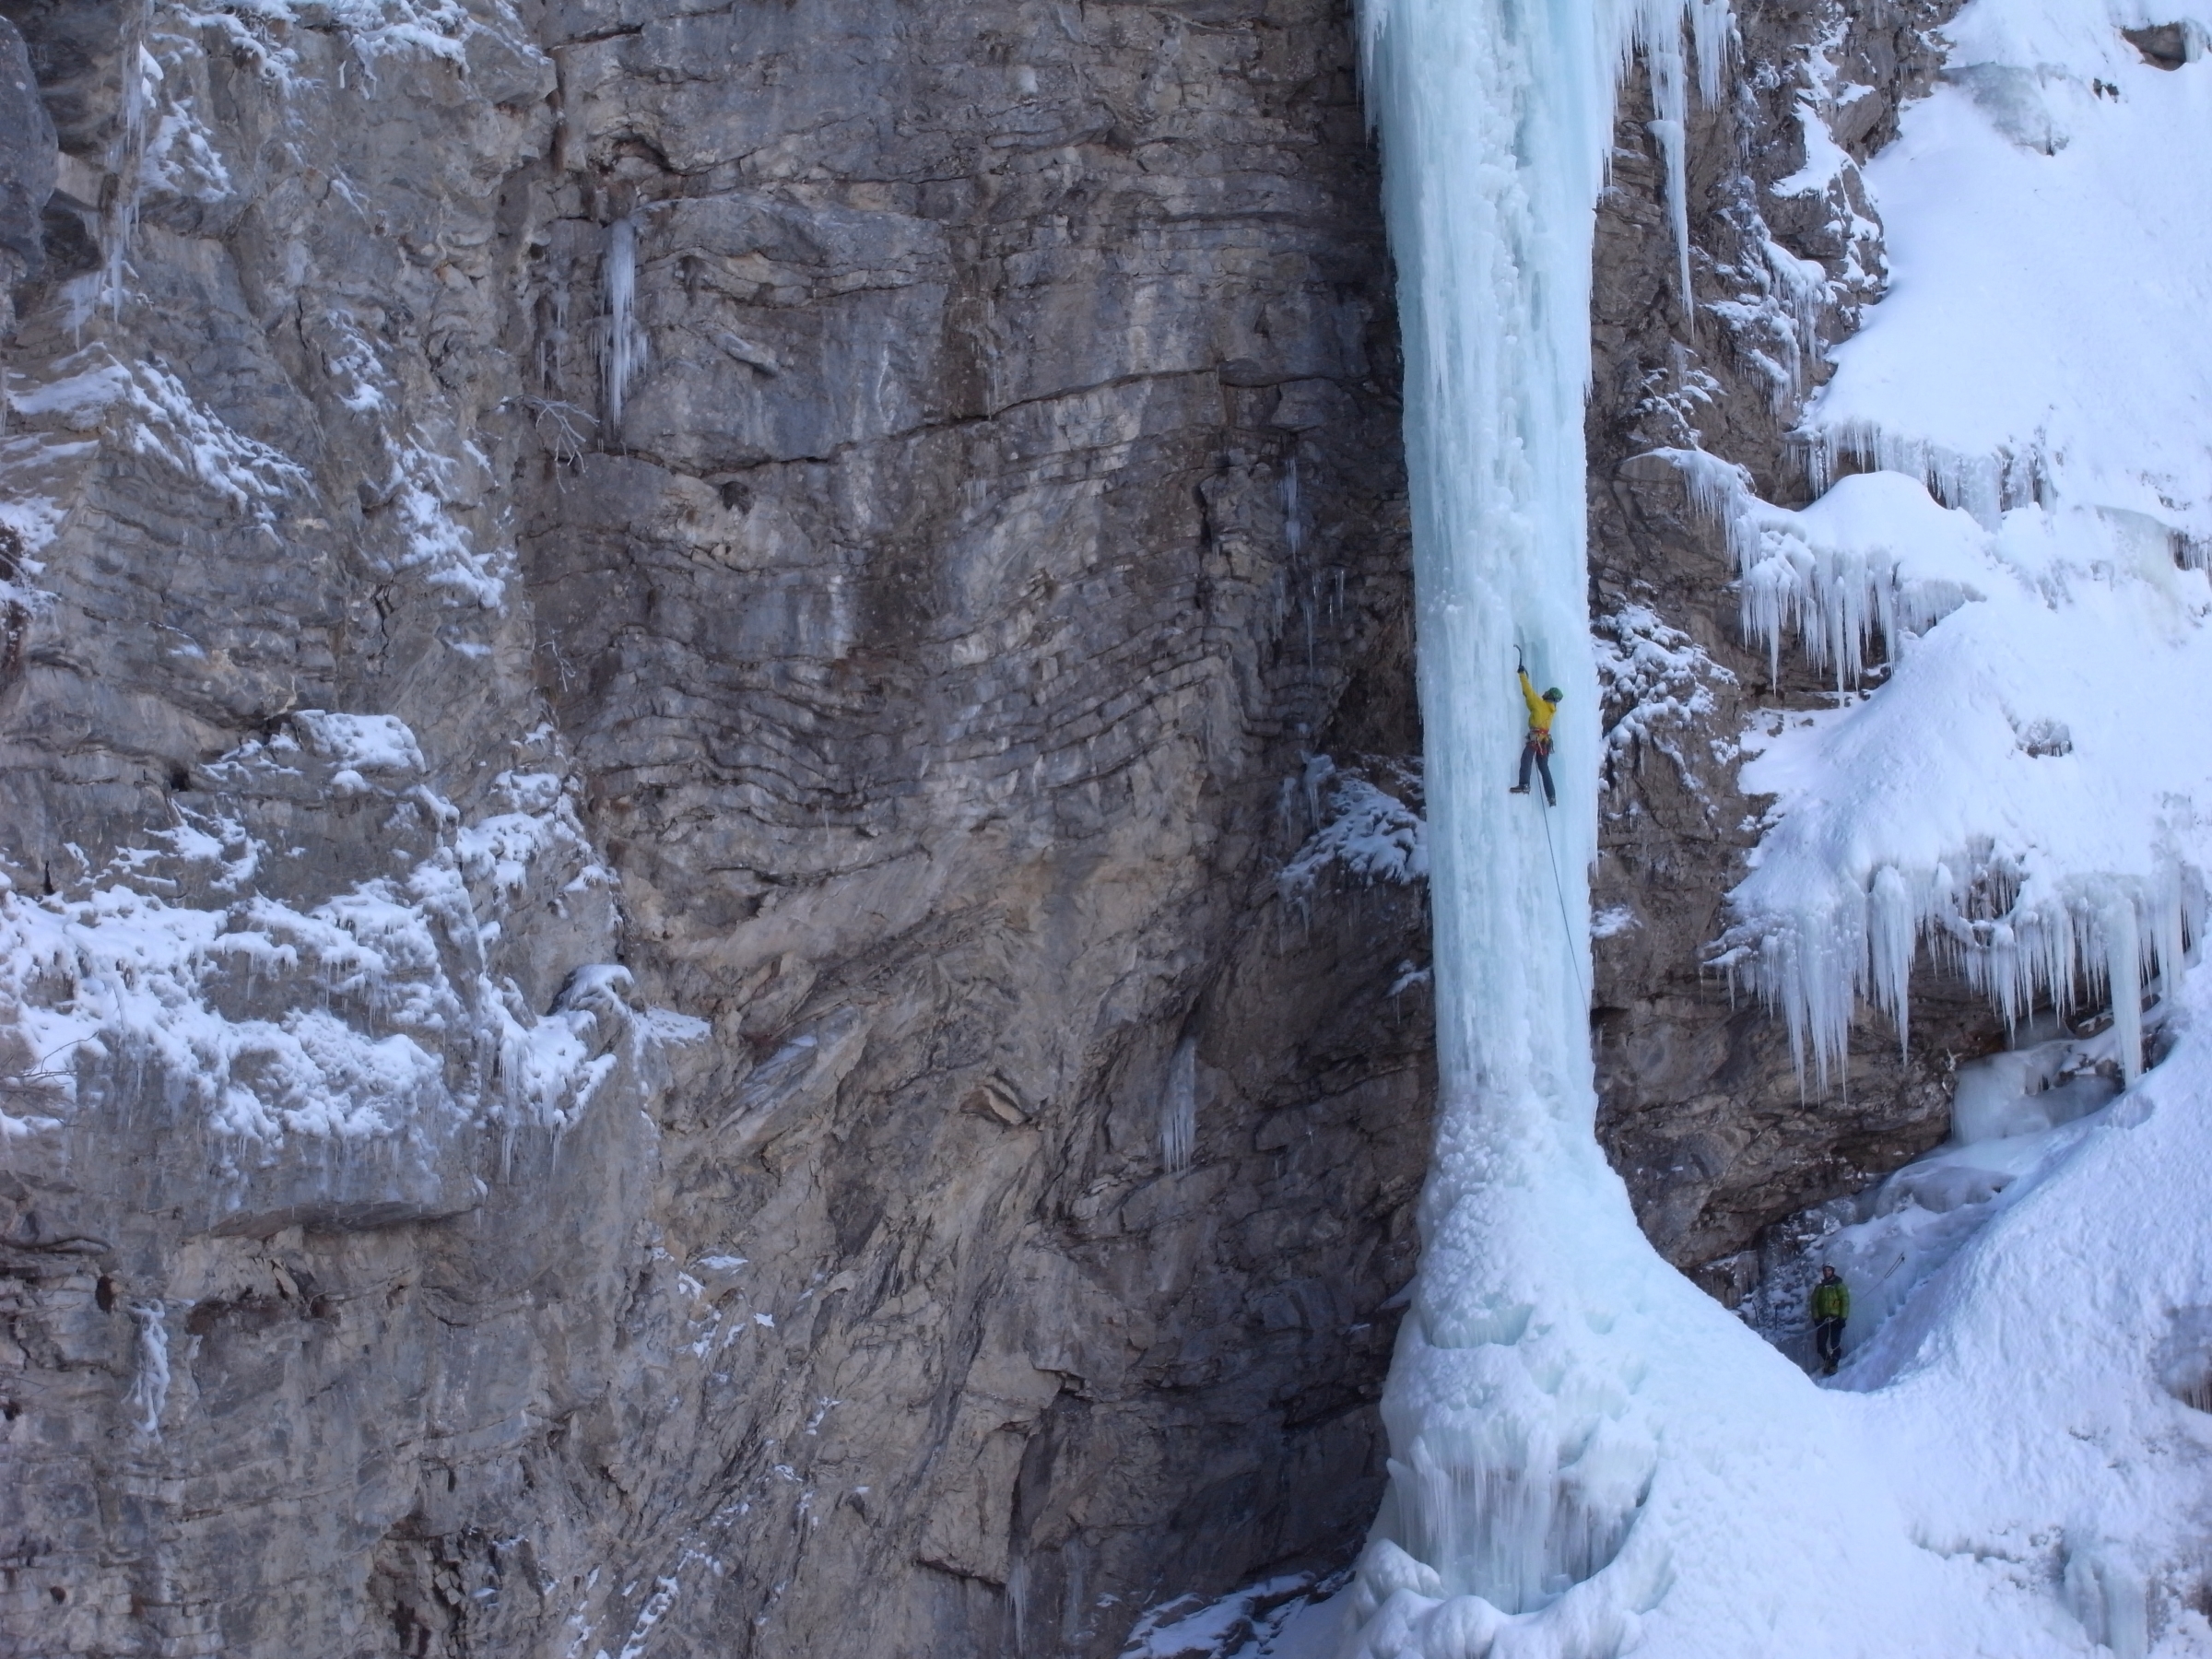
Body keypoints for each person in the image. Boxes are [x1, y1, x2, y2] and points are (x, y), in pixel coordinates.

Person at [1508, 667, 1563, 806]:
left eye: (1548, 693)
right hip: (1545, 742)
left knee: (1526, 758)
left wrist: (1522, 675)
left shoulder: (1540, 704)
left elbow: (1528, 691)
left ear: (1549, 696)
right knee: (1544, 768)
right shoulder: (1552, 710)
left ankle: (1524, 784)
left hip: (1536, 739)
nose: (1545, 693)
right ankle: (1551, 797)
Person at [1810, 1265, 1850, 1376]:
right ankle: (1828, 1360)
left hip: (1836, 1319)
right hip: (1823, 1320)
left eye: (1829, 1270)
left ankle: (1834, 1364)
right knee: (1821, 1345)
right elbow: (1814, 1303)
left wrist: (1842, 1318)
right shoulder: (1819, 1288)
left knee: (1835, 1343)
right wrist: (1816, 1318)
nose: (1827, 1272)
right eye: (1825, 1270)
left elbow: (1845, 1302)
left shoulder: (1839, 1286)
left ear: (1833, 1271)